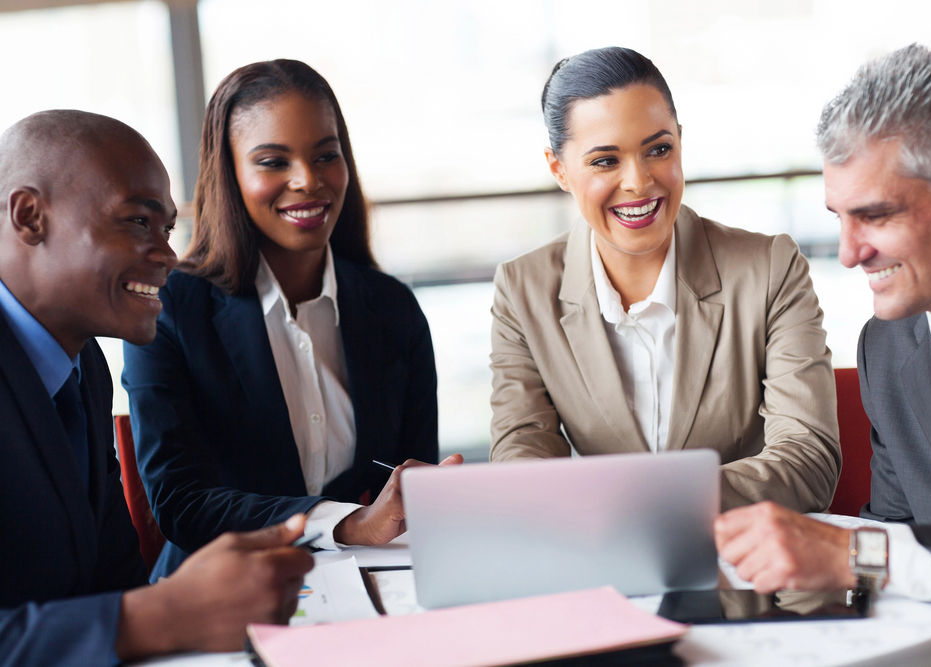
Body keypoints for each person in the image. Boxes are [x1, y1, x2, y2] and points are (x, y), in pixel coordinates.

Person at [122, 59, 460, 580]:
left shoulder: (392, 308)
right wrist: (345, 524)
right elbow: (180, 503)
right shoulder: (172, 308)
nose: (308, 180)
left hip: (377, 581)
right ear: (230, 174)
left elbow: (408, 492)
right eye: (273, 162)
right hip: (219, 593)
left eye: (326, 155)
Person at [0, 110, 314, 666]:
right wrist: (160, 615)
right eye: (137, 222)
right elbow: (134, 611)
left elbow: (109, 578)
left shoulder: (84, 367)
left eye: (166, 228)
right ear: (30, 217)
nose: (168, 254)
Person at [715, 44, 931, 618]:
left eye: (875, 216)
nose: (849, 254)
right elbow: (889, 535)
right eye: (838, 219)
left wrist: (856, 552)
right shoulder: (888, 347)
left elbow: (876, 550)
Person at [490, 46, 840, 512]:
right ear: (559, 170)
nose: (638, 182)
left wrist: (646, 501)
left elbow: (809, 462)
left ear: (680, 141)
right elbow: (521, 454)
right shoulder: (522, 290)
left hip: (742, 566)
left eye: (658, 149)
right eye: (604, 161)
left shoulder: (770, 268)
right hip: (606, 566)